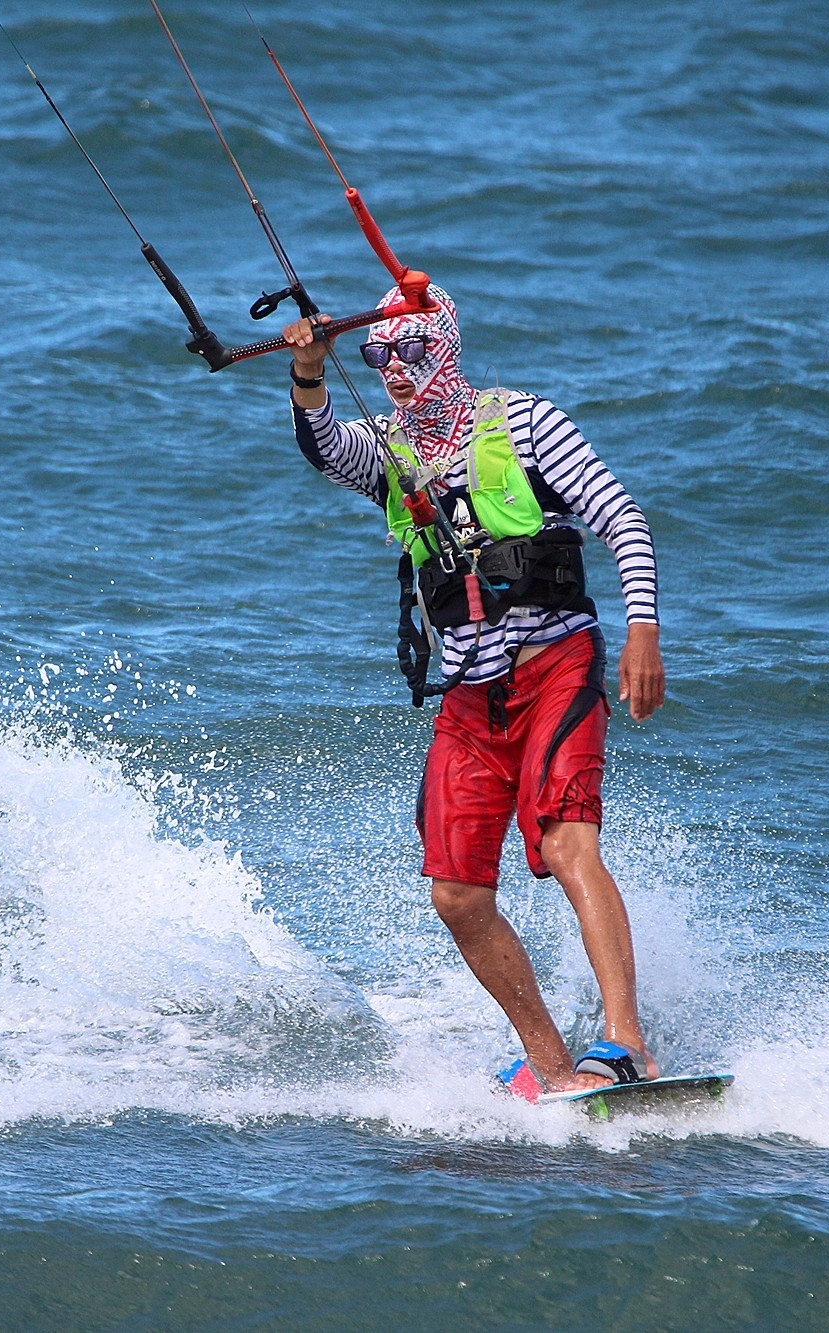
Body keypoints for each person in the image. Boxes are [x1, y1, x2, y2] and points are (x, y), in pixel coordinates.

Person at [282, 283, 666, 1096]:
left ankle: (626, 1042)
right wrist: (310, 373)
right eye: (379, 354)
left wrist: (643, 629)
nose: (393, 368)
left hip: (555, 664)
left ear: (446, 347)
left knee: (566, 844)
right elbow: (324, 448)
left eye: (412, 349)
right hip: (469, 693)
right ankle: (552, 1066)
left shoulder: (526, 422)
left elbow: (623, 519)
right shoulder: (387, 448)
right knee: (456, 893)